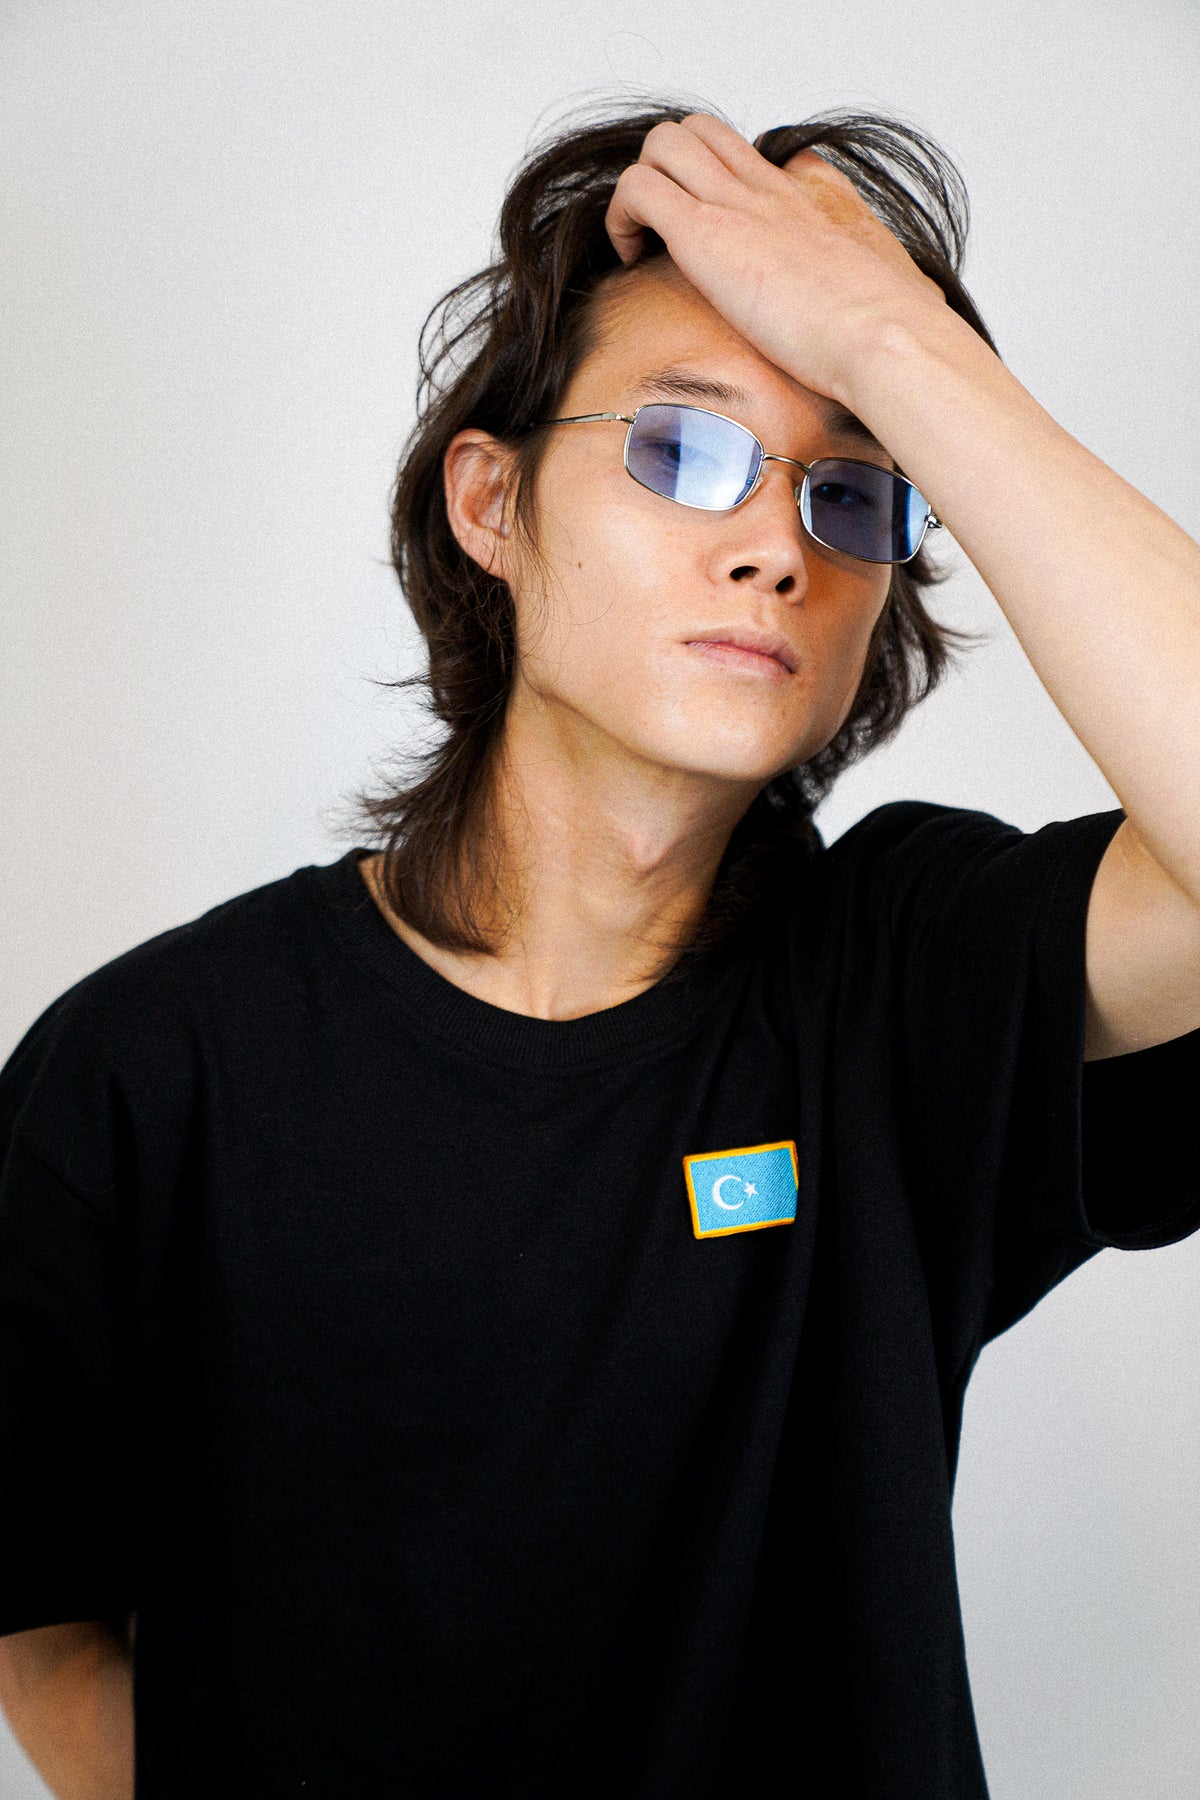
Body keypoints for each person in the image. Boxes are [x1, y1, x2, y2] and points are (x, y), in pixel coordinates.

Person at [1, 95, 1199, 1800]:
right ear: (493, 504)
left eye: (857, 493)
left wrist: (896, 339)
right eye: (682, 447)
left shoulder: (906, 985)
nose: (774, 546)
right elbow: (45, 1627)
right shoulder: (150, 1071)